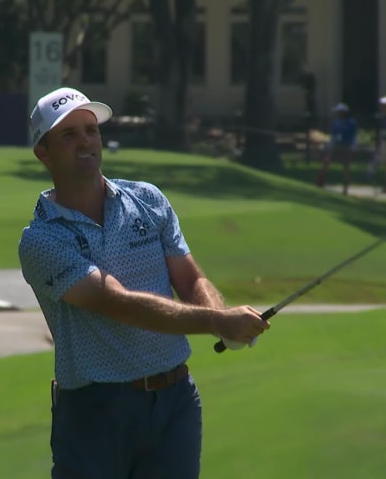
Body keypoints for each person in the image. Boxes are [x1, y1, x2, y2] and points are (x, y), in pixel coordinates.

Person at [18, 87, 271, 479]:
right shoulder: (41, 239)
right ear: (43, 153)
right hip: (95, 411)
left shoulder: (147, 200)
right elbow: (117, 303)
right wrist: (216, 323)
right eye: (68, 135)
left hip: (175, 402)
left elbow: (189, 278)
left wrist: (222, 315)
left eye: (91, 130)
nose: (85, 141)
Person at [315, 103, 358, 195]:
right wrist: (329, 146)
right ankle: (319, 182)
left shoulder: (351, 123)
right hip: (336, 145)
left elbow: (354, 136)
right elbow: (333, 136)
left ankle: (345, 188)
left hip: (346, 146)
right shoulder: (336, 123)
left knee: (346, 167)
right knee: (326, 162)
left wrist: (353, 147)